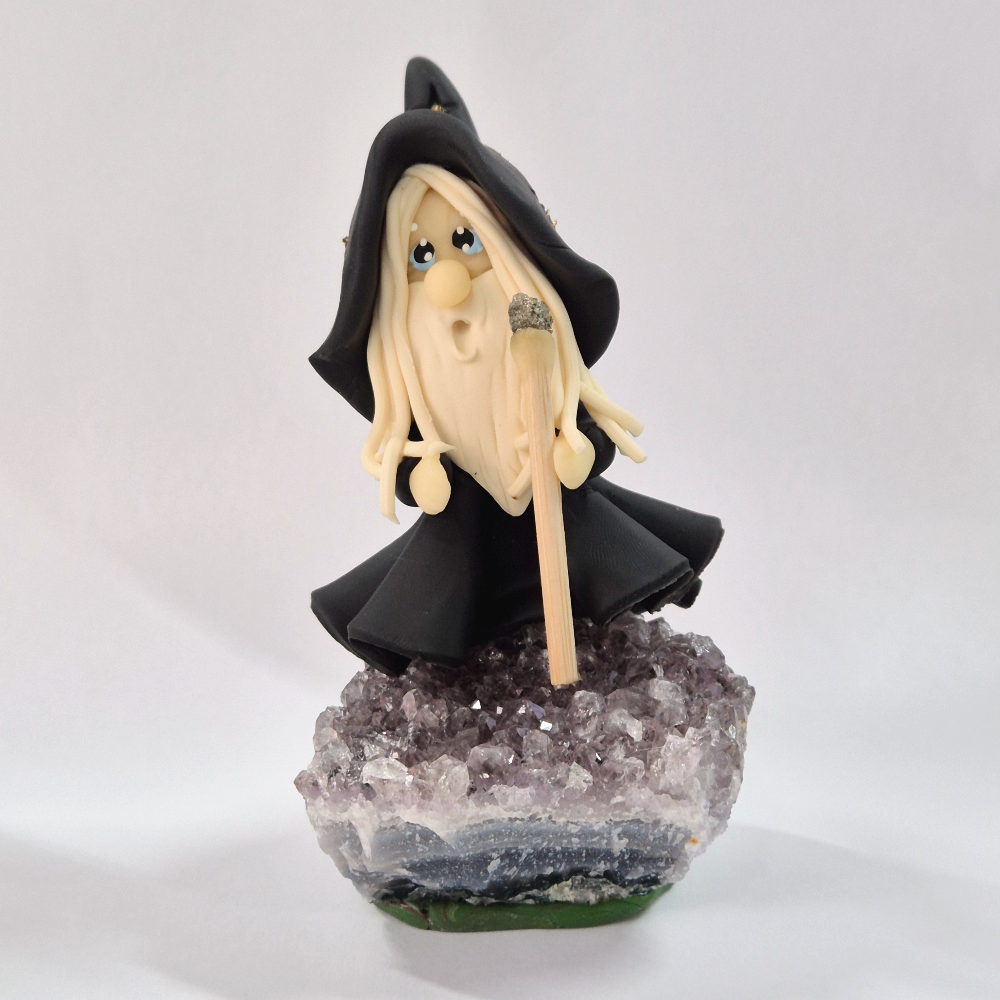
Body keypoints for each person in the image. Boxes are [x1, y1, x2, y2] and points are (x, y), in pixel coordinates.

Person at [309, 59, 723, 676]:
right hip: (467, 538)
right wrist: (421, 478)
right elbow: (411, 457)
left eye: (466, 243)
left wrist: (576, 447)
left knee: (587, 565)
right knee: (446, 602)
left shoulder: (531, 334)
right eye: (421, 256)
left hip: (562, 522)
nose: (447, 280)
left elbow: (584, 424)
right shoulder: (415, 371)